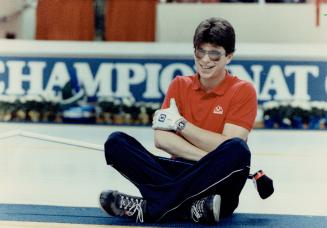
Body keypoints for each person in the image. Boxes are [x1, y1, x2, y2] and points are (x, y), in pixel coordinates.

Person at [99, 17, 257, 224]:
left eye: (214, 54)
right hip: (182, 172)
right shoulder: (179, 85)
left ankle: (151, 209)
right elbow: (162, 140)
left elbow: (227, 145)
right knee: (116, 143)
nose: (205, 60)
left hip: (219, 184)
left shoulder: (242, 90)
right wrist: (209, 161)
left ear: (229, 56)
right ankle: (189, 208)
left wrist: (180, 124)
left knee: (238, 150)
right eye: (200, 51)